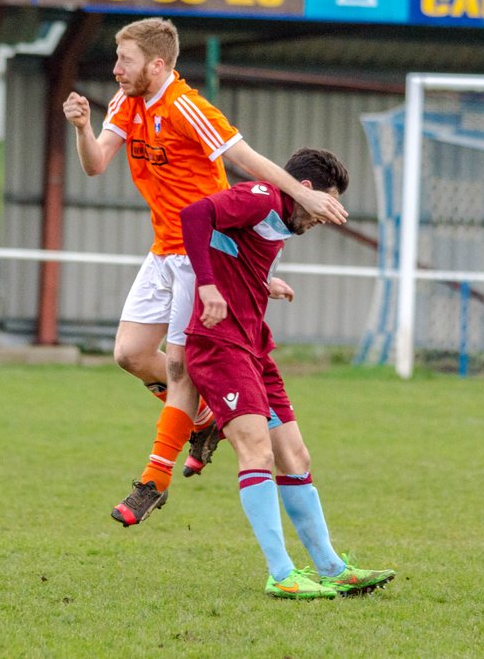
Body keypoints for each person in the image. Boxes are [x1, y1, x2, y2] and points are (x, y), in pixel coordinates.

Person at [63, 18, 347, 491]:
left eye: (124, 60)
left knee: (179, 368)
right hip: (162, 250)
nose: (116, 69)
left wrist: (304, 194)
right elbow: (95, 166)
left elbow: (247, 159)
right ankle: (205, 419)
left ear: (156, 64)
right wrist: (82, 128)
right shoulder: (124, 102)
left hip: (201, 252)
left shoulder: (188, 107)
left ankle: (152, 483)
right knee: (130, 354)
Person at [117, 147, 395, 599]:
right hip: (220, 348)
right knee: (256, 452)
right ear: (303, 190)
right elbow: (194, 218)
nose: (325, 215)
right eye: (326, 202)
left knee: (296, 457)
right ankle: (282, 574)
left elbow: (229, 247)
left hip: (254, 348)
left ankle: (329, 567)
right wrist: (206, 285)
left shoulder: (278, 221)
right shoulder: (263, 197)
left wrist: (266, 282)